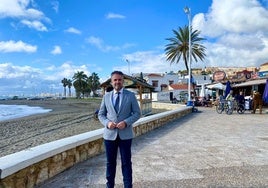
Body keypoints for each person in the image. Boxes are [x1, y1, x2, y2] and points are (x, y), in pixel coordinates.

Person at [98, 71, 141, 188]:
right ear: (111, 82)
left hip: (125, 135)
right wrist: (107, 123)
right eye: (115, 80)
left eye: (119, 80)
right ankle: (109, 186)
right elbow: (101, 114)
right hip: (109, 135)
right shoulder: (106, 97)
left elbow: (137, 113)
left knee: (126, 163)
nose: (117, 82)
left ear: (123, 81)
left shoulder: (130, 96)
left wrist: (126, 122)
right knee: (110, 163)